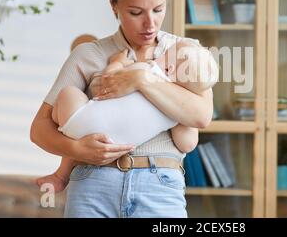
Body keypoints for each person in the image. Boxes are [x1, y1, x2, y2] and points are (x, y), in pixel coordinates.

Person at [30, 0, 216, 218]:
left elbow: (201, 116)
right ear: (113, 4)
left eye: (158, 9)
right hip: (92, 183)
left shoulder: (186, 54)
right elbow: (39, 130)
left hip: (159, 184)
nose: (150, 24)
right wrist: (77, 149)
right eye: (136, 12)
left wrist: (142, 79)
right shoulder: (88, 55)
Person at [35, 40, 217, 193]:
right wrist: (182, 116)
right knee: (81, 135)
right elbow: (188, 144)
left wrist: (118, 62)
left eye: (164, 54)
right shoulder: (175, 112)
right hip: (115, 144)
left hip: (87, 128)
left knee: (68, 94)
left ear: (169, 67)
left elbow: (110, 78)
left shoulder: (146, 70)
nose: (156, 57)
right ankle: (61, 173)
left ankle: (60, 175)